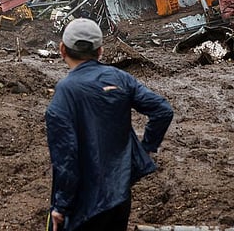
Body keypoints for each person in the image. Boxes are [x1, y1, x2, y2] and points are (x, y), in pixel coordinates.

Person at [45, 18, 173, 231]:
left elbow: (66, 156)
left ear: (62, 50)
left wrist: (60, 205)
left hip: (83, 204)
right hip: (119, 194)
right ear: (100, 51)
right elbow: (162, 110)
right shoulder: (121, 78)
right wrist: (146, 149)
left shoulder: (65, 92)